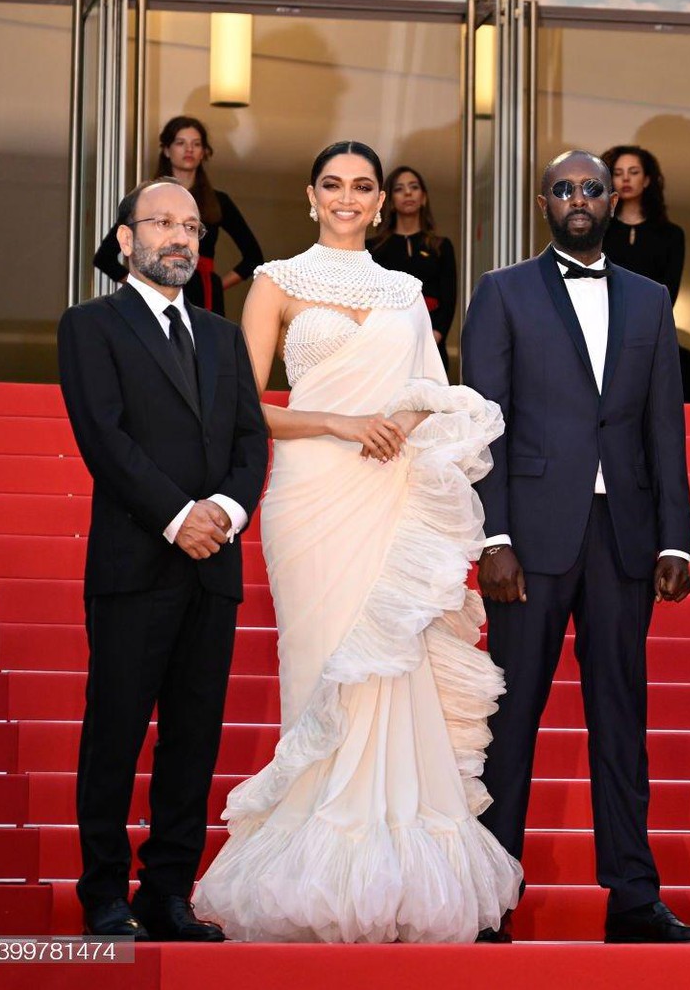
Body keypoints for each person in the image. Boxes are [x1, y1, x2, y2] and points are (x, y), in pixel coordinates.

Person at [192, 141, 520, 942]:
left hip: (391, 488)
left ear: (382, 202)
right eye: (333, 184)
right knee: (323, 667)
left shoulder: (408, 289)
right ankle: (312, 865)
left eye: (362, 186)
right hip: (310, 494)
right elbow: (242, 402)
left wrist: (400, 421)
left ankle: (396, 874)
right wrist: (339, 421)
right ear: (311, 195)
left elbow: (431, 393)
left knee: (394, 666)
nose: (347, 197)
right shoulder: (274, 281)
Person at [460, 150, 690, 944]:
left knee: (620, 718)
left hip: (625, 536)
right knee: (513, 719)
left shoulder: (648, 298)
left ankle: (633, 896)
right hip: (528, 538)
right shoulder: (502, 292)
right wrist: (491, 533)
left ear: (614, 199)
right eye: (564, 187)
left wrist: (677, 536)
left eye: (592, 187)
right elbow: (483, 422)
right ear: (543, 201)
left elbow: (663, 428)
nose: (578, 198)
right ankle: (489, 896)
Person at [58, 178, 269, 941]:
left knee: (194, 735)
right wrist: (180, 517)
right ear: (125, 240)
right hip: (134, 562)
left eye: (190, 225)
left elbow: (252, 440)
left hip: (214, 566)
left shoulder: (221, 334)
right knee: (114, 730)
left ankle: (167, 889)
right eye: (162, 223)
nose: (181, 237)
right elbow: (103, 439)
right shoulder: (91, 325)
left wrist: (228, 513)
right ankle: (105, 891)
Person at [94, 116, 264, 315]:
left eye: (196, 144)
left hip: (204, 293)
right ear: (167, 150)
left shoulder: (218, 201)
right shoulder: (147, 200)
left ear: (204, 153)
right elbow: (104, 258)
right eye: (180, 143)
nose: (189, 149)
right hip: (158, 289)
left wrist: (216, 285)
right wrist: (143, 286)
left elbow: (254, 257)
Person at [369, 165, 458, 349]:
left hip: (431, 341)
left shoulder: (441, 246)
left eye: (414, 187)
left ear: (423, 197)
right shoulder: (372, 248)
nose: (408, 193)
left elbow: (449, 298)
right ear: (390, 201)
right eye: (399, 189)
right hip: (385, 343)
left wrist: (437, 334)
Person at [602, 144, 687, 302]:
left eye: (634, 172)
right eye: (618, 173)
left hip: (650, 321)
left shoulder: (671, 235)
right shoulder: (598, 231)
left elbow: (668, 294)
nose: (626, 178)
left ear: (646, 180)